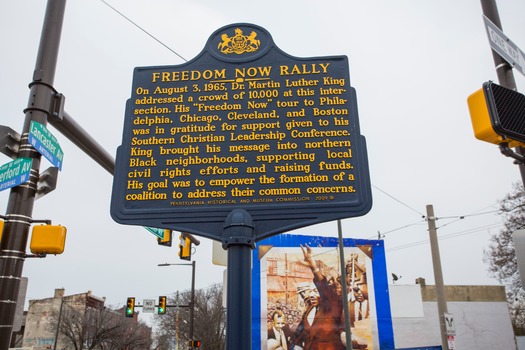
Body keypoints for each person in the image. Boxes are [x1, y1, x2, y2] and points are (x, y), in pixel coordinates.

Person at [290, 244, 345, 350]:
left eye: (316, 291)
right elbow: (298, 335)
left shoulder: (333, 305)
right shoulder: (308, 311)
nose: (311, 295)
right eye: (310, 291)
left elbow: (324, 288)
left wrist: (313, 266)